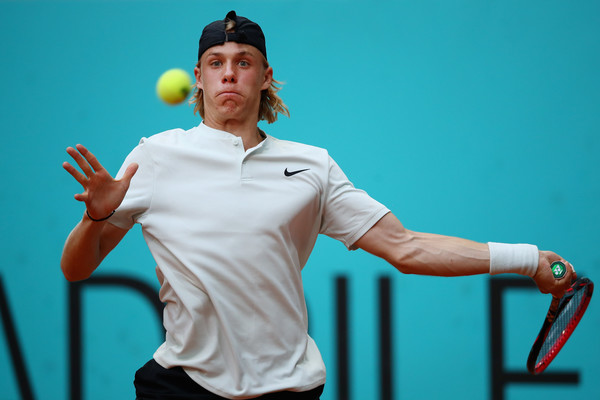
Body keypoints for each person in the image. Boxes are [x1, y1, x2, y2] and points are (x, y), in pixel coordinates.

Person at [61, 10, 575, 400]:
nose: (229, 75)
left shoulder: (312, 165)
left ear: (265, 77)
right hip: (182, 385)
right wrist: (96, 215)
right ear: (197, 77)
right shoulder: (153, 156)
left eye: (244, 63)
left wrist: (528, 258)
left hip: (287, 388)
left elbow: (406, 246)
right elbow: (76, 268)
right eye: (216, 64)